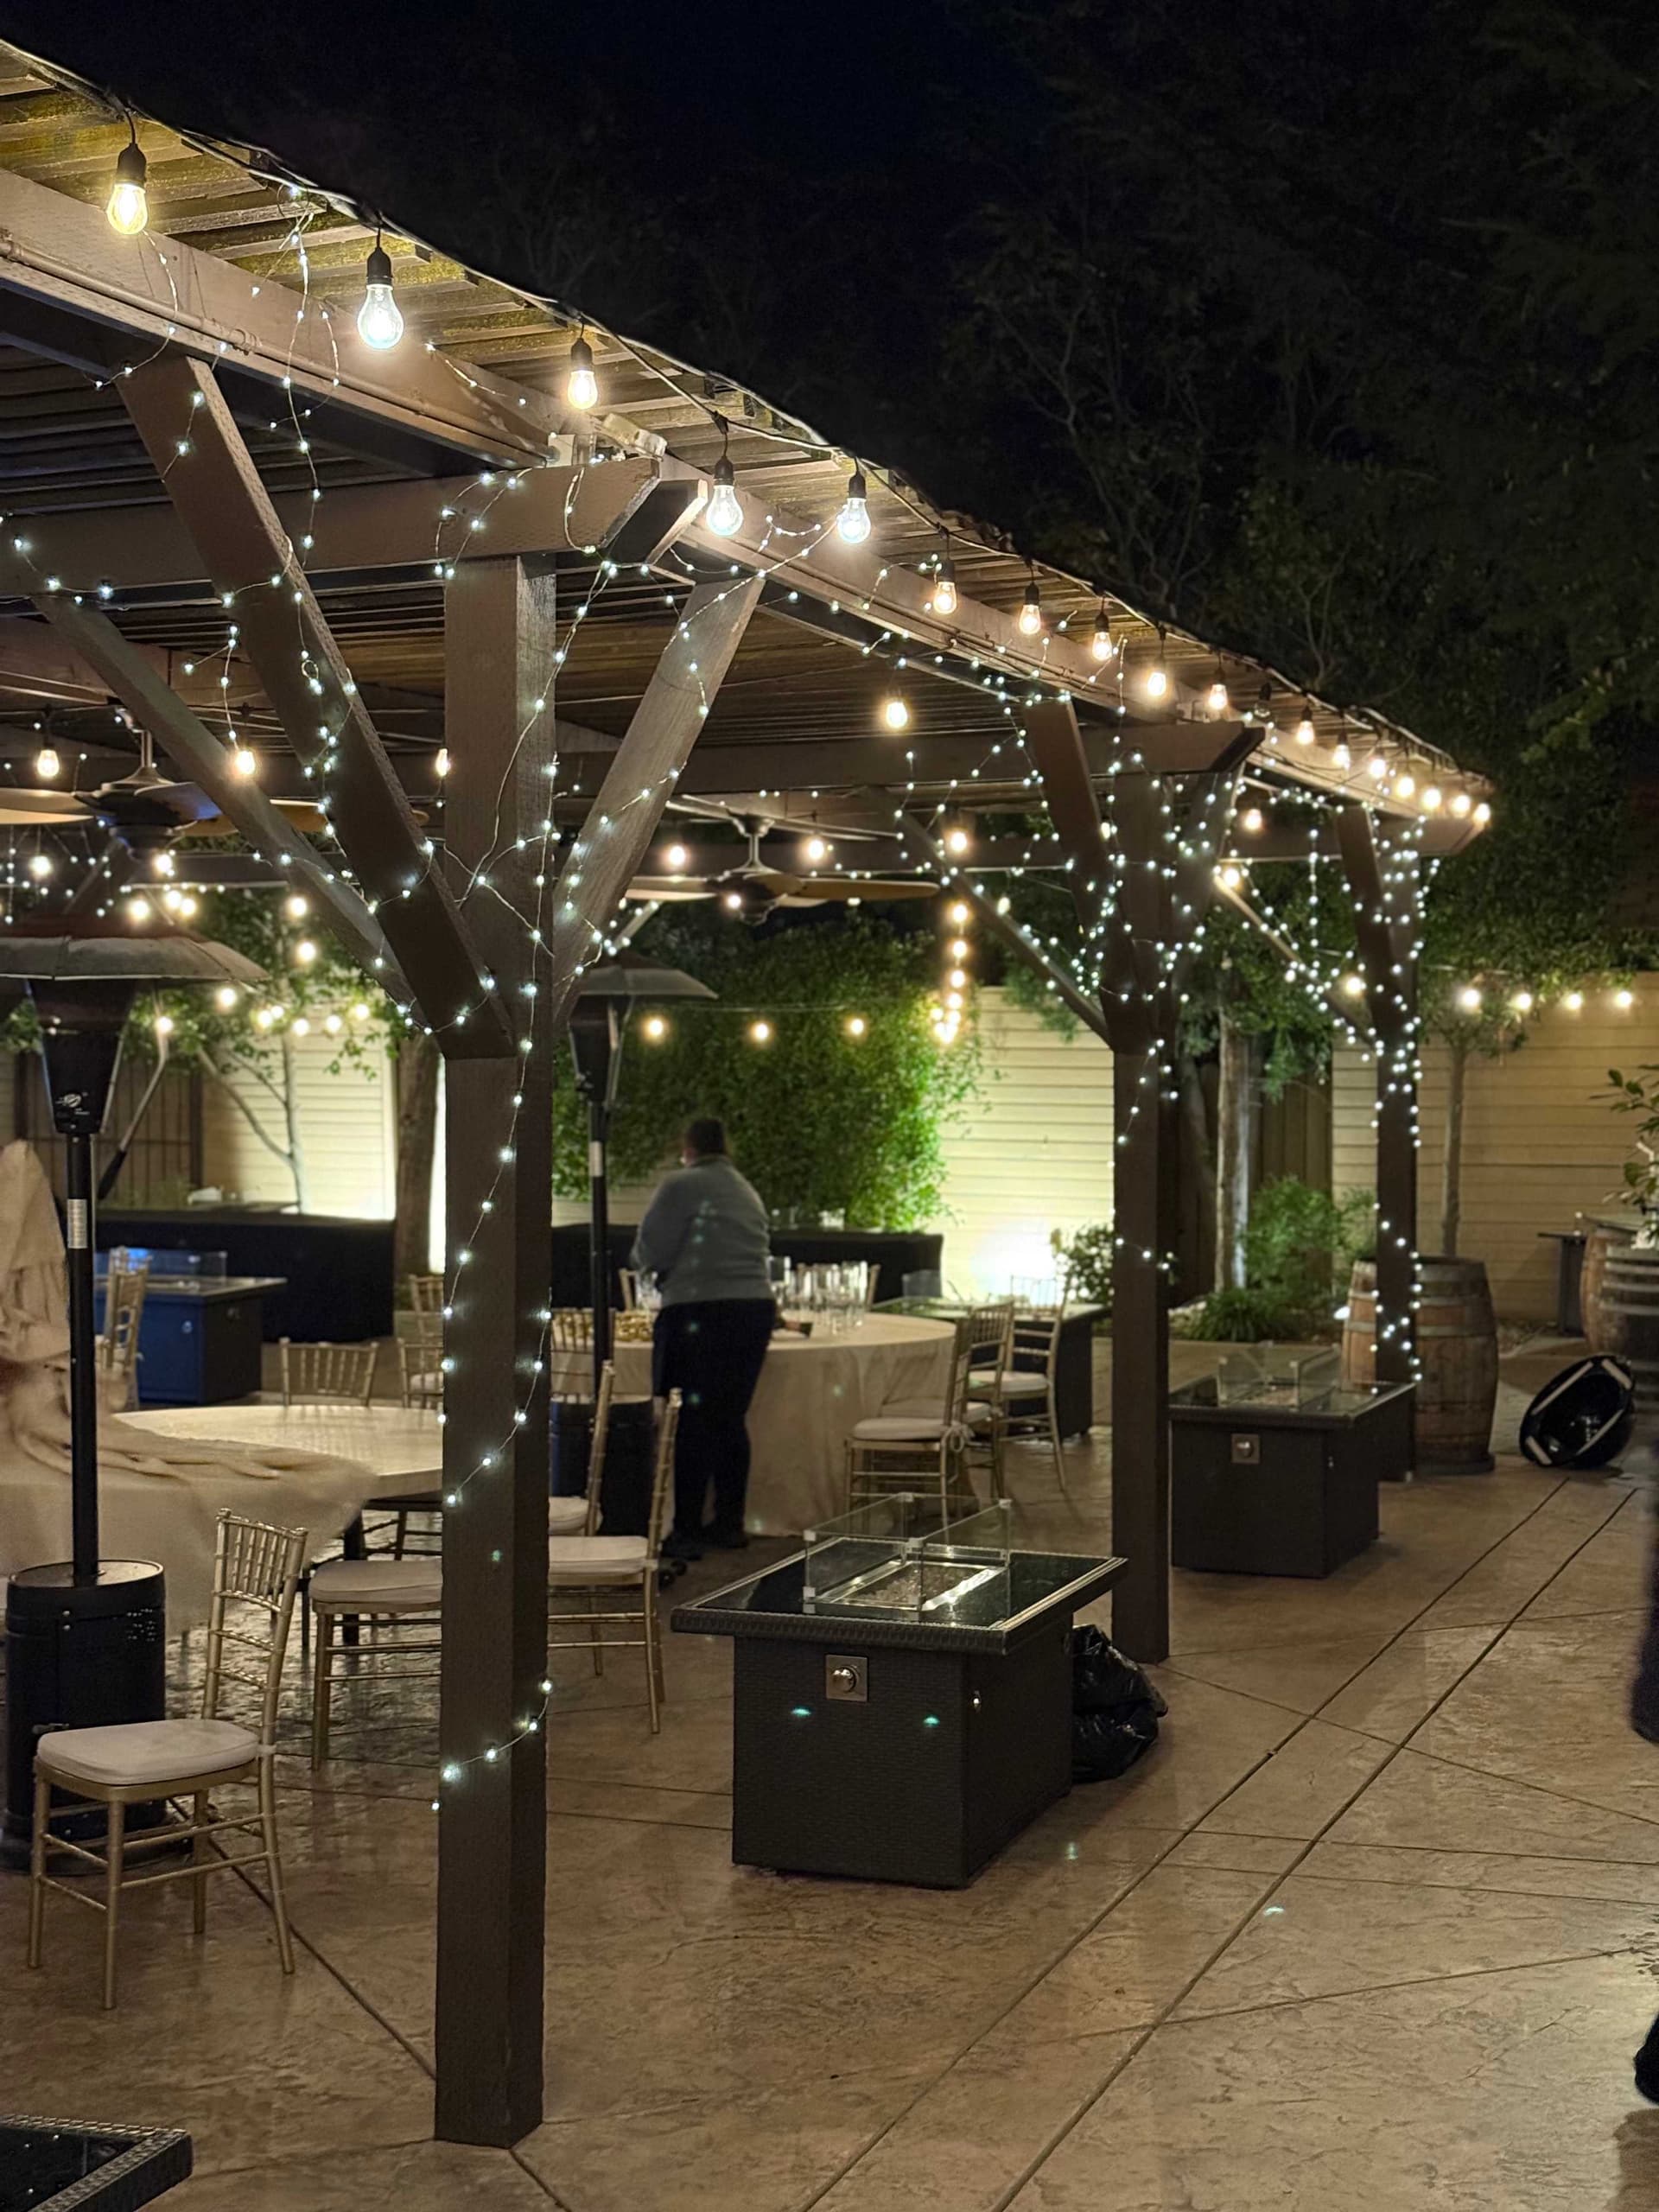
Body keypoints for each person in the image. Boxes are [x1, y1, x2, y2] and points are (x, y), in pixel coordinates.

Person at [632, 1117, 775, 1560]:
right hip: (754, 1310)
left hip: (700, 1310)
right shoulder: (745, 1189)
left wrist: (648, 1265)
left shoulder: (681, 1184)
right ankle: (729, 1523)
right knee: (730, 1418)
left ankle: (688, 1529)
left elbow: (650, 1250)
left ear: (688, 1148)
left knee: (691, 1420)